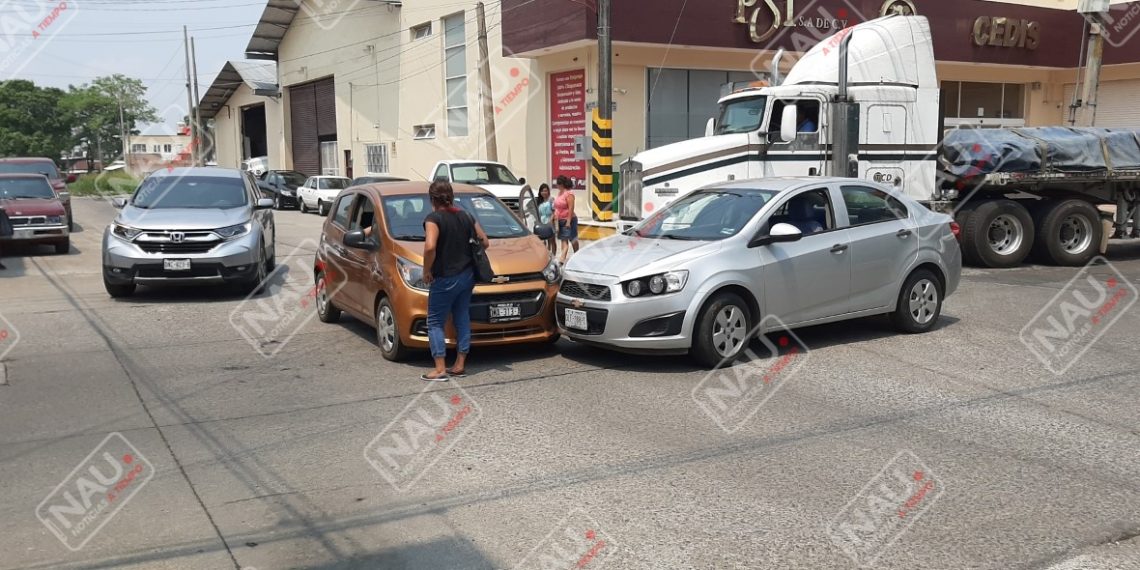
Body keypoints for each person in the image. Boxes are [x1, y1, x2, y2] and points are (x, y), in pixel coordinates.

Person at [421, 180, 489, 381]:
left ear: (432, 199)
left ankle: (440, 368)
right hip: (467, 275)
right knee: (461, 317)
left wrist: (426, 270)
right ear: (451, 196)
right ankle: (459, 364)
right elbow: (485, 242)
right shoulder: (465, 215)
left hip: (445, 277)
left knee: (435, 321)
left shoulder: (434, 219)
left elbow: (430, 247)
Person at [552, 175, 580, 264]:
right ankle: (562, 258)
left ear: (562, 184)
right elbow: (557, 207)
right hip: (560, 220)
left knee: (573, 239)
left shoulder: (569, 193)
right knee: (563, 239)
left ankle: (577, 254)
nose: (557, 186)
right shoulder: (559, 194)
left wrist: (568, 221)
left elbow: (571, 208)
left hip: (569, 220)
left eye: (558, 184)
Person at [536, 183, 556, 256]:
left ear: (548, 191)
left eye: (545, 191)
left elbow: (554, 211)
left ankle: (553, 255)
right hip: (542, 221)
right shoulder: (539, 201)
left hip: (549, 220)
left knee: (552, 240)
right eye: (542, 191)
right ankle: (546, 255)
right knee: (544, 241)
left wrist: (551, 220)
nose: (544, 193)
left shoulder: (551, 199)